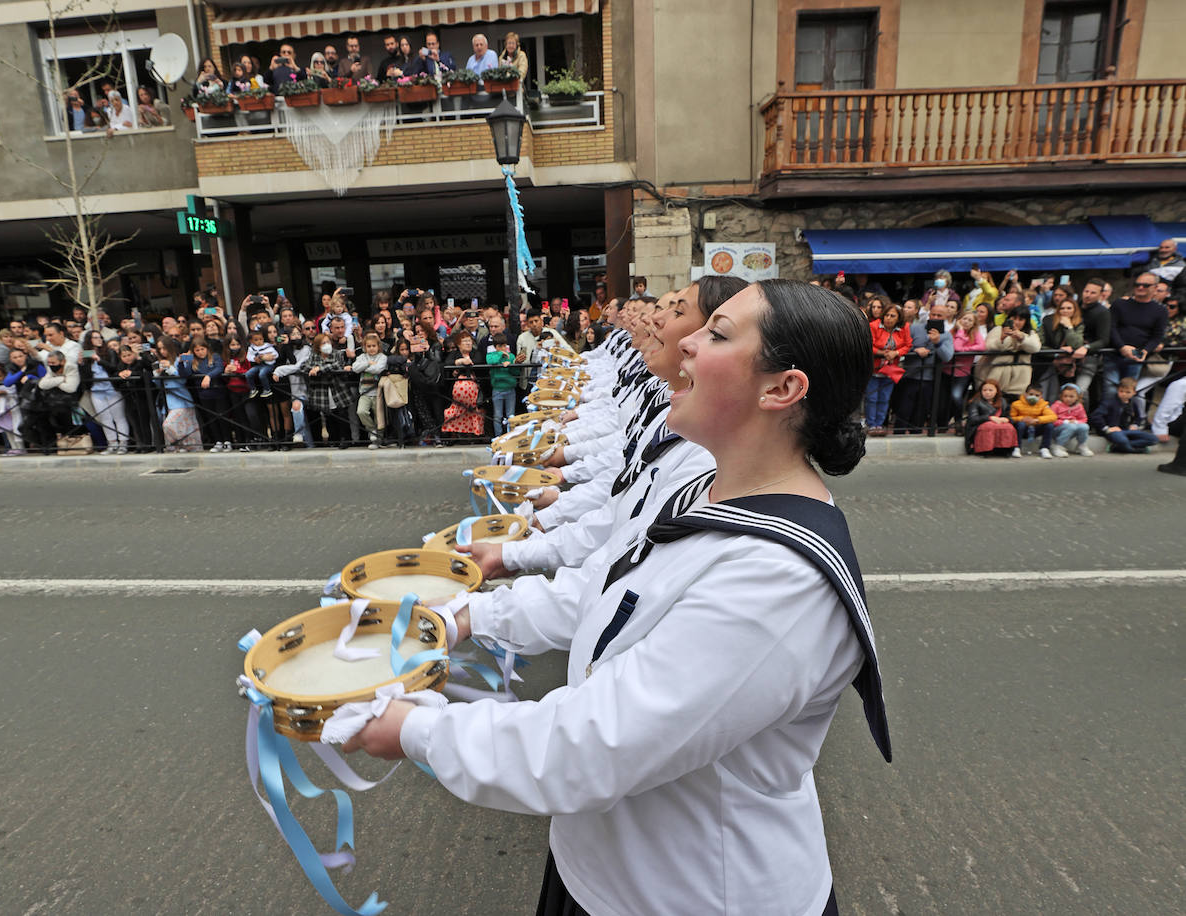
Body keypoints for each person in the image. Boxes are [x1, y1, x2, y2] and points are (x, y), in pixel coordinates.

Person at [344, 280, 889, 916]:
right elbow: (605, 584)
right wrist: (465, 616)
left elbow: (596, 743)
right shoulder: (707, 487)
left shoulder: (779, 579)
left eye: (715, 333)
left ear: (781, 389)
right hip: (606, 869)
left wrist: (415, 729)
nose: (680, 339)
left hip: (692, 897)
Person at [1105, 271, 1169, 392]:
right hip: (1113, 354)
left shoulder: (1161, 310)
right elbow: (1111, 327)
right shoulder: (1119, 304)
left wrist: (1145, 351)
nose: (1140, 287)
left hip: (1136, 357)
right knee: (1111, 392)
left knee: (1128, 394)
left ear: (1155, 288)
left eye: (1145, 285)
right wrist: (1122, 347)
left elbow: (1157, 336)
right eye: (1137, 284)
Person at [864, 301, 909, 435]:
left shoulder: (903, 328)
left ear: (898, 318)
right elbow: (868, 344)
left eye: (893, 316)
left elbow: (907, 345)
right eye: (887, 315)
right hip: (875, 369)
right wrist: (882, 353)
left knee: (884, 398)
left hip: (891, 370)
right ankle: (871, 425)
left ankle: (879, 425)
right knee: (872, 398)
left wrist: (896, 353)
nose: (889, 318)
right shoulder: (873, 326)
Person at [979, 306, 1040, 403]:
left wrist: (1021, 338)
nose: (1016, 322)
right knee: (993, 400)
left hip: (1020, 375)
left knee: (1015, 403)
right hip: (998, 372)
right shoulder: (998, 330)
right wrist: (1003, 338)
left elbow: (1035, 348)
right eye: (1014, 318)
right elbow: (988, 346)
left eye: (1021, 319)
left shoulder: (1030, 333)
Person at [1091, 377, 1157, 454]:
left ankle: (1120, 447)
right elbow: (1096, 416)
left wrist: (1135, 425)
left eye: (1128, 392)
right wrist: (1106, 428)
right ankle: (1134, 449)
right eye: (1121, 391)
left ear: (1134, 392)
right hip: (1114, 431)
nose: (1124, 394)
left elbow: (1138, 417)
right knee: (1123, 441)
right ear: (1117, 390)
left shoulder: (1133, 404)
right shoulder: (1109, 402)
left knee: (1154, 439)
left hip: (1127, 430)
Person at [352, 332, 388, 449]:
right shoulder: (362, 357)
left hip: (378, 392)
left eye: (374, 346)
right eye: (369, 346)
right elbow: (355, 368)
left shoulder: (382, 357)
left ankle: (378, 440)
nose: (371, 348)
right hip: (365, 392)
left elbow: (378, 369)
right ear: (365, 347)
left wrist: (366, 367)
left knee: (379, 417)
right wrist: (368, 363)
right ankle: (371, 430)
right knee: (361, 411)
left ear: (378, 346)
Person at [965, 378, 1018, 456]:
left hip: (999, 423)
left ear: (996, 391)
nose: (987, 392)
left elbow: (1009, 417)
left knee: (1009, 427)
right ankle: (986, 449)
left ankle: (1004, 449)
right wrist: (989, 418)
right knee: (989, 426)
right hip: (978, 426)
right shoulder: (975, 402)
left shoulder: (1003, 401)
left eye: (990, 390)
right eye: (985, 390)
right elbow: (973, 419)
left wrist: (1006, 419)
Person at [1008, 383, 1057, 459]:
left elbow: (1053, 417)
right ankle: (1017, 448)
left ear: (1041, 396)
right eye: (1031, 394)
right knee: (1020, 424)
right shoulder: (1016, 404)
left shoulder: (1043, 404)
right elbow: (1011, 418)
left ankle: (1044, 448)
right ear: (1025, 394)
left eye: (1037, 395)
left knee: (1049, 425)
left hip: (1035, 428)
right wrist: (1022, 419)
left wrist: (1037, 420)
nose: (1033, 397)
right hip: (1022, 429)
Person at [485, 331, 518, 436]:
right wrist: (500, 355)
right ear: (495, 347)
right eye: (500, 346)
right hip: (497, 389)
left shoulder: (511, 356)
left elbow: (516, 372)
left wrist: (512, 365)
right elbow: (490, 361)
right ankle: (498, 437)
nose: (503, 348)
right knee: (497, 416)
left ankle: (510, 435)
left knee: (510, 415)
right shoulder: (491, 355)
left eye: (504, 345)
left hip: (510, 389)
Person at [1049, 382, 1093, 457]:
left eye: (1071, 396)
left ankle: (1081, 445)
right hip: (1057, 429)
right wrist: (1065, 422)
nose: (1068, 399)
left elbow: (1083, 419)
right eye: (1065, 396)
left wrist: (1076, 422)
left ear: (1077, 397)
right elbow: (1051, 419)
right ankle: (1058, 446)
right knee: (1071, 426)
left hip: (1073, 427)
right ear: (1061, 396)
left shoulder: (1079, 406)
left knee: (1085, 427)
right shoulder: (1056, 405)